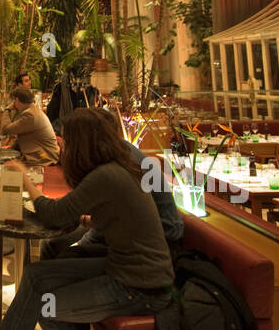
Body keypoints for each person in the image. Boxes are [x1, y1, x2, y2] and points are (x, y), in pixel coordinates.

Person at [0, 107, 174, 330]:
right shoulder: (115, 168)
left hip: (140, 287)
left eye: (66, 140)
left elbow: (54, 215)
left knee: (46, 307)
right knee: (36, 276)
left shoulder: (107, 175)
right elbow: (120, 218)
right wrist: (91, 221)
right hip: (123, 268)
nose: (63, 147)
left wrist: (25, 179)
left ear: (82, 142)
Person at [41, 110, 183, 260]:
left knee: (65, 254)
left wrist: (82, 242)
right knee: (53, 245)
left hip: (160, 241)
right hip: (128, 229)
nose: (65, 146)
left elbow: (118, 221)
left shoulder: (121, 164)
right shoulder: (116, 152)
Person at [0, 86, 60, 165]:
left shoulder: (30, 115)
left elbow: (5, 129)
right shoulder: (33, 110)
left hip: (45, 157)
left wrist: (7, 109)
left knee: (10, 169)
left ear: (16, 100)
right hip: (42, 154)